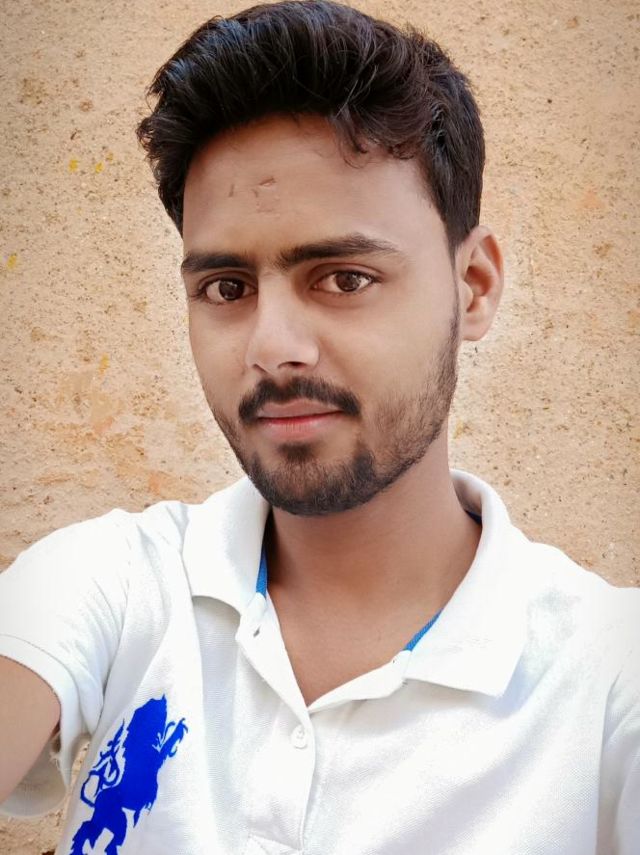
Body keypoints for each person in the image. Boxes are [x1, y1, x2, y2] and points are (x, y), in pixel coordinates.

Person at [0, 1, 637, 852]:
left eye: (344, 278)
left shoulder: (609, 679)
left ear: (475, 286)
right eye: (227, 288)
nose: (273, 348)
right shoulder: (114, 585)